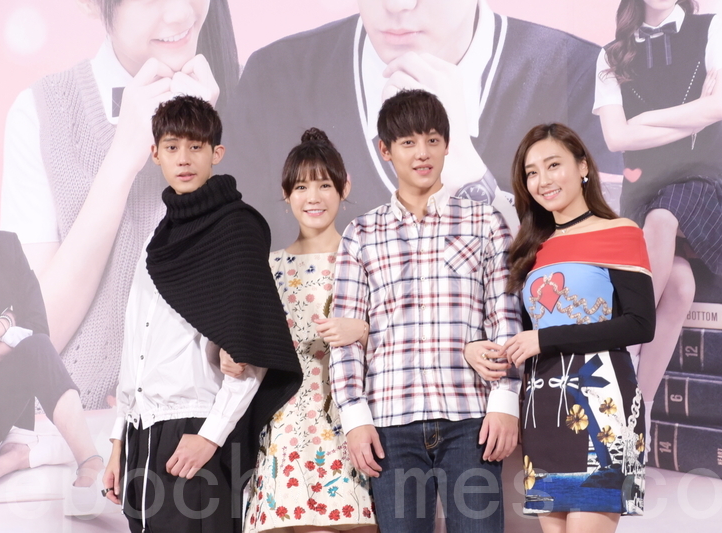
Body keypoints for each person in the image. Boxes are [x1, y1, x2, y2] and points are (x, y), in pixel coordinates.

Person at [0, 0, 240, 409]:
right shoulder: (44, 112)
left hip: (206, 427)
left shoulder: (252, 97)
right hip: (76, 432)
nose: (180, 14)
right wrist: (124, 156)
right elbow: (35, 334)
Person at [222, 0, 622, 243]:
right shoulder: (276, 76)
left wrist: (469, 174)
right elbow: (235, 254)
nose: (398, 5)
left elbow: (590, 283)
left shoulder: (578, 75)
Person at [102, 96, 302, 533]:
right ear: (155, 154)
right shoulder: (156, 240)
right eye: (172, 147)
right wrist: (118, 440)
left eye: (196, 146)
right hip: (140, 433)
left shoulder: (236, 227)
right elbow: (136, 341)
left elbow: (252, 348)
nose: (184, 159)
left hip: (196, 427)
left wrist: (211, 435)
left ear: (217, 153)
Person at [328, 89, 522, 533]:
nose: (423, 153)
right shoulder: (361, 234)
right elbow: (345, 337)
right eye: (408, 142)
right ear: (386, 150)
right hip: (389, 425)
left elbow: (505, 317)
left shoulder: (484, 221)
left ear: (447, 145)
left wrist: (505, 400)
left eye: (433, 140)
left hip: (470, 419)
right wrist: (354, 419)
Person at [466, 123, 655, 532]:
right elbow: (518, 330)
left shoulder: (620, 232)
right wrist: (474, 347)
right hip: (542, 410)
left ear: (583, 166)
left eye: (553, 165)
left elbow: (640, 325)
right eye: (531, 172)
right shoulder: (531, 248)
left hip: (601, 405)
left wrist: (544, 339)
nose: (543, 180)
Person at [593, 0, 722, 434]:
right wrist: (693, 117)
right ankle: (639, 412)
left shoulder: (710, 28)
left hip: (704, 179)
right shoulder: (610, 55)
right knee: (679, 284)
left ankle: (623, 345)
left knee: (661, 219)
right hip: (644, 186)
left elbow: (720, 107)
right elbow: (616, 138)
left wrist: (646, 120)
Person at [221, 128, 376, 532]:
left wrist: (362, 331)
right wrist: (226, 353)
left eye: (324, 185)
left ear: (344, 188)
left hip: (351, 421)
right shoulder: (268, 267)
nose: (313, 197)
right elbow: (244, 341)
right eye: (302, 187)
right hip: (285, 425)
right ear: (287, 194)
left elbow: (403, 339)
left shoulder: (365, 260)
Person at [0, 230, 104, 515]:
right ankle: (14, 457)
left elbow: (37, 325)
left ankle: (89, 460)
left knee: (38, 346)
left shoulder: (5, 245)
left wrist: (2, 326)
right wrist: (8, 321)